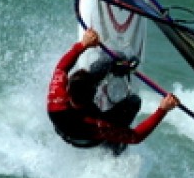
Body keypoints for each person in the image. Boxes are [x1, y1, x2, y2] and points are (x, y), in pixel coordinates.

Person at [47, 28, 178, 150]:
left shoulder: (56, 98)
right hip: (89, 139)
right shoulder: (98, 126)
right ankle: (114, 147)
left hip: (68, 125)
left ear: (68, 90)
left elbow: (61, 68)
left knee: (108, 60)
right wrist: (163, 109)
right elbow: (136, 136)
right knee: (134, 102)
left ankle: (118, 68)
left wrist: (82, 45)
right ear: (94, 93)